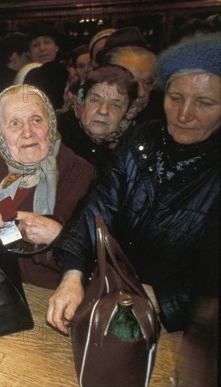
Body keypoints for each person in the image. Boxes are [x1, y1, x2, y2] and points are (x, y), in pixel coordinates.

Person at [47, 35, 221, 335]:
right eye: (176, 97)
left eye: (204, 102)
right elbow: (97, 210)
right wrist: (73, 273)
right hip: (117, 306)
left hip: (188, 331)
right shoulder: (142, 140)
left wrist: (165, 299)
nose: (184, 114)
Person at [0, 84, 96, 289]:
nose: (27, 132)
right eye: (14, 123)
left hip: (46, 288)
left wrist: (58, 236)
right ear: (0, 132)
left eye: (36, 120)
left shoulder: (78, 171)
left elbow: (93, 248)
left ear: (51, 123)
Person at [58, 64, 138, 172]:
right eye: (95, 100)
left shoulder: (133, 150)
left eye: (115, 105)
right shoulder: (55, 135)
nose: (103, 111)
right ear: (82, 100)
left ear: (129, 111)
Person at [97, 27, 163, 123]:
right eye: (130, 83)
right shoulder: (80, 124)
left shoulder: (160, 124)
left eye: (147, 83)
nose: (141, 94)